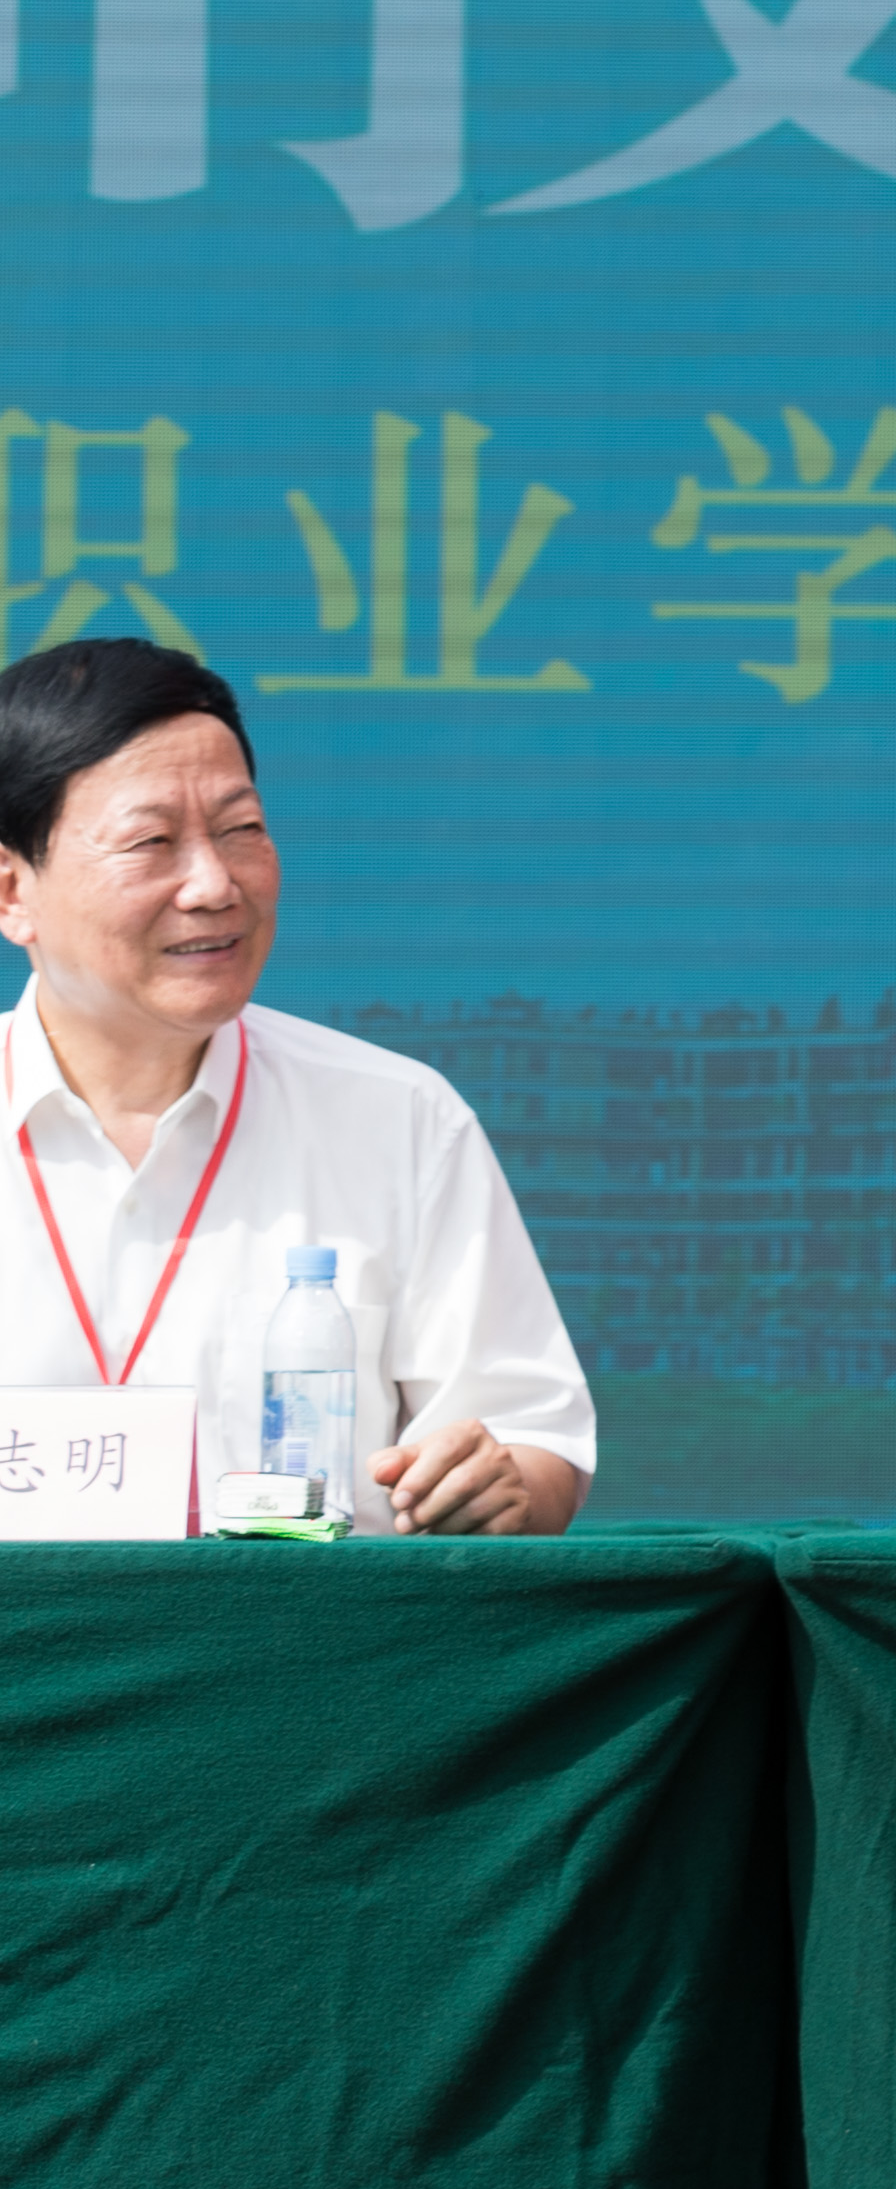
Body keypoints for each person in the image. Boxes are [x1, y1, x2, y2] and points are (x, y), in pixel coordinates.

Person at [0, 638, 594, 1533]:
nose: (214, 885)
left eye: (240, 830)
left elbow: (532, 1438)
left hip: (310, 1626)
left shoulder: (398, 1118)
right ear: (12, 891)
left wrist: (500, 1485)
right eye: (152, 842)